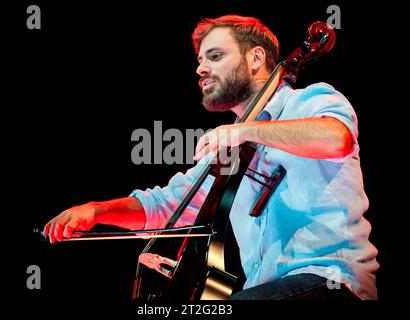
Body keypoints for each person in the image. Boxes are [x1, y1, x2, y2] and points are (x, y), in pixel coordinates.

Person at [43, 15, 379, 300]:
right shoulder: (227, 147)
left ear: (256, 58)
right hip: (267, 289)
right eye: (200, 60)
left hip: (331, 283)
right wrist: (97, 210)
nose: (201, 68)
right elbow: (166, 206)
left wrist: (244, 132)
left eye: (215, 56)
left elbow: (335, 138)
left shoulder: (309, 101)